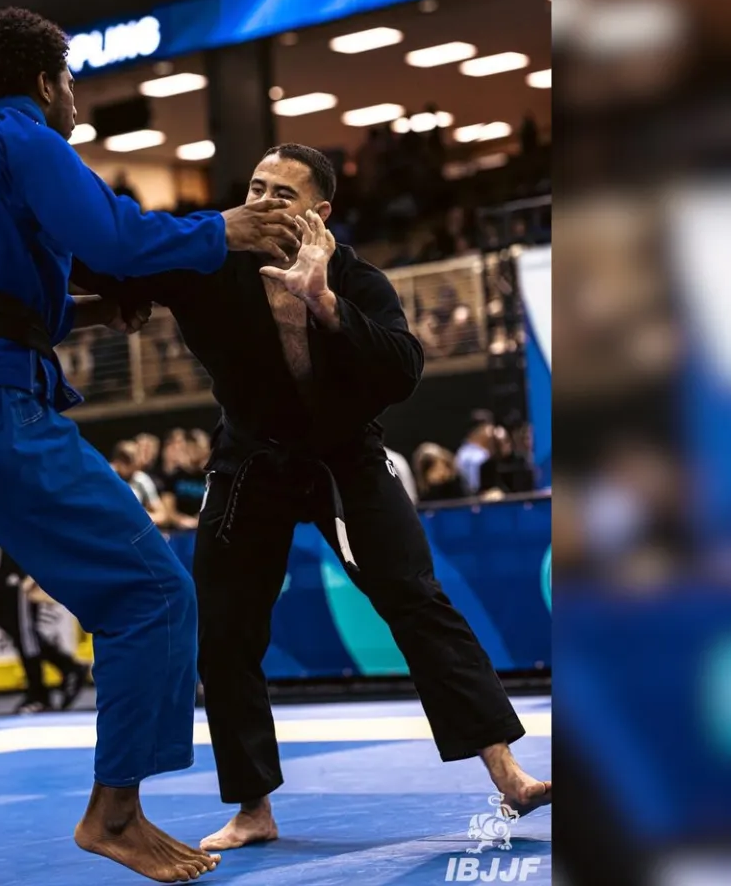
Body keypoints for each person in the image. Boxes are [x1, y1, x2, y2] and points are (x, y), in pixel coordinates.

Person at [0, 6, 300, 886]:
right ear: (46, 83)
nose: (75, 100)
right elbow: (113, 235)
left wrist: (88, 309)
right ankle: (113, 816)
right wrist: (225, 229)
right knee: (151, 592)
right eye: (72, 83)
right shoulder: (25, 135)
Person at [73, 142, 551, 852]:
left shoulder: (354, 278)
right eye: (255, 187)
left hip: (344, 455)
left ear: (320, 213)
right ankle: (253, 808)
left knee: (417, 599)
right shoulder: (210, 260)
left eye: (283, 194)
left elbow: (404, 368)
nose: (263, 202)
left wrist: (324, 303)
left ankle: (507, 773)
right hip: (249, 459)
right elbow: (111, 261)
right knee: (224, 629)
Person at [0, 548, 88, 714]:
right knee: (3, 617)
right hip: (10, 545)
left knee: (23, 626)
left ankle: (38, 694)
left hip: (25, 549)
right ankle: (69, 667)